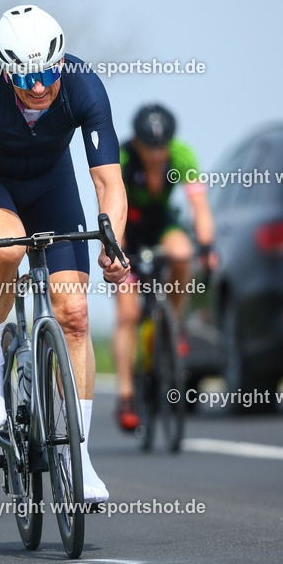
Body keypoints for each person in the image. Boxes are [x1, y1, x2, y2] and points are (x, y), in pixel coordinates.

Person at [0, 5, 130, 503]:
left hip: (53, 187)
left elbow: (107, 181)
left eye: (48, 74)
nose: (39, 87)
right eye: (26, 78)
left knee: (73, 312)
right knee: (3, 253)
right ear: (6, 70)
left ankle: (79, 456)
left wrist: (114, 239)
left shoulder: (82, 84)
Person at [111, 104, 216, 431]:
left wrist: (207, 247)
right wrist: (116, 249)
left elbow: (199, 205)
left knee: (183, 253)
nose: (157, 155)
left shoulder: (181, 154)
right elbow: (111, 203)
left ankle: (172, 322)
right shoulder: (123, 156)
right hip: (127, 225)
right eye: (149, 148)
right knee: (127, 314)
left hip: (160, 223)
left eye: (162, 147)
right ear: (137, 142)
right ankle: (127, 396)